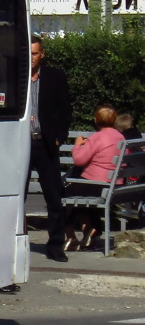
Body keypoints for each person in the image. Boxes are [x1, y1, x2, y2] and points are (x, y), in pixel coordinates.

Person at [28, 35, 72, 262]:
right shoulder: (17, 78)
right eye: (28, 53)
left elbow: (65, 110)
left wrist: (59, 138)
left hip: (45, 144)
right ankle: (13, 241)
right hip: (22, 144)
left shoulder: (54, 77)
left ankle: (56, 245)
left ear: (42, 54)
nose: (31, 58)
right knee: (16, 197)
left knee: (54, 197)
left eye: (35, 53)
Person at [65, 105, 124, 250]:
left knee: (61, 195)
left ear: (96, 120)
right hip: (114, 184)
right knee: (79, 196)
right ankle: (91, 230)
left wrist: (77, 145)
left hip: (96, 184)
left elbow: (79, 160)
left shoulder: (97, 138)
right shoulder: (120, 137)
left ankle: (71, 236)